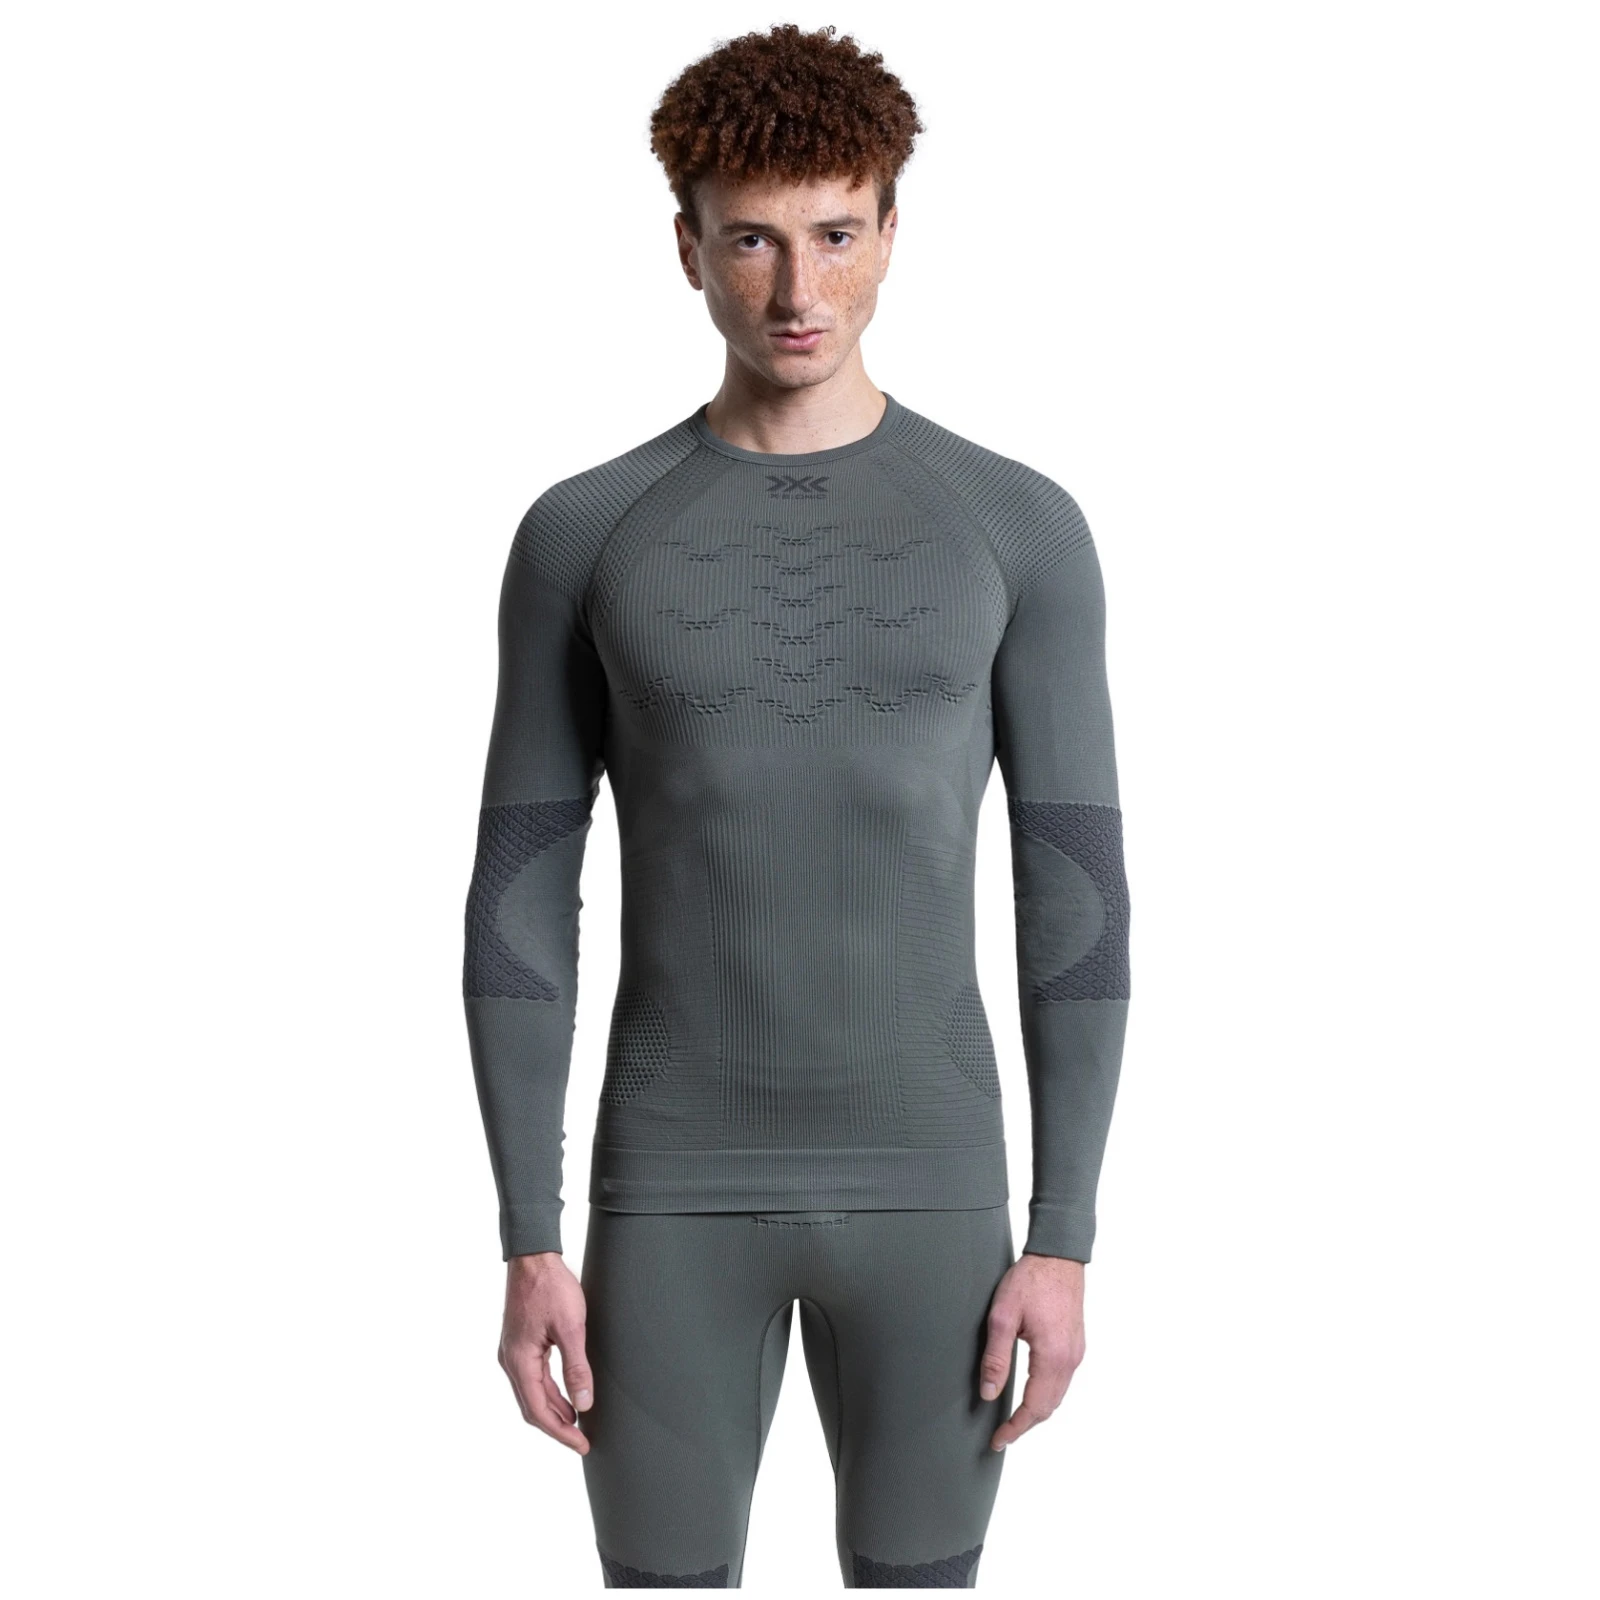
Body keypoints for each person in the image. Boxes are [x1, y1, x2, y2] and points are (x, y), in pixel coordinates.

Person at [462, 22, 1131, 1590]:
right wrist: (526, 1236)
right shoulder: (587, 534)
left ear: (892, 230)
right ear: (685, 245)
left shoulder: (1016, 528)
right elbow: (518, 898)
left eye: (835, 234)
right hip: (667, 1200)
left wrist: (1065, 1234)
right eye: (751, 239)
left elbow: (1077, 900)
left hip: (936, 1200)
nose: (795, 291)